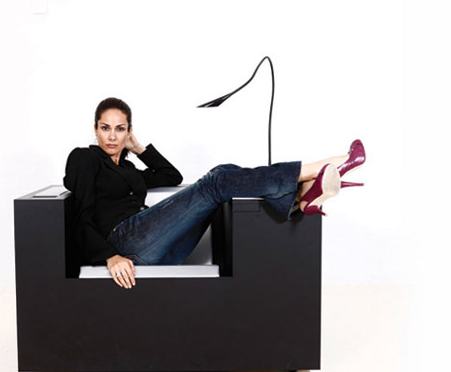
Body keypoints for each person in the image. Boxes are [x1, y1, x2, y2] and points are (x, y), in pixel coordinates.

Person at [63, 97, 366, 290]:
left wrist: (139, 148)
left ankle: (300, 198)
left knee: (223, 171)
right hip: (124, 242)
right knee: (215, 183)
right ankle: (318, 170)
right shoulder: (85, 158)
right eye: (105, 128)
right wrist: (110, 256)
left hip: (155, 248)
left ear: (129, 131)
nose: (112, 136)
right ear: (95, 129)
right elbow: (81, 214)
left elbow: (170, 176)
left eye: (120, 129)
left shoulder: (129, 171)